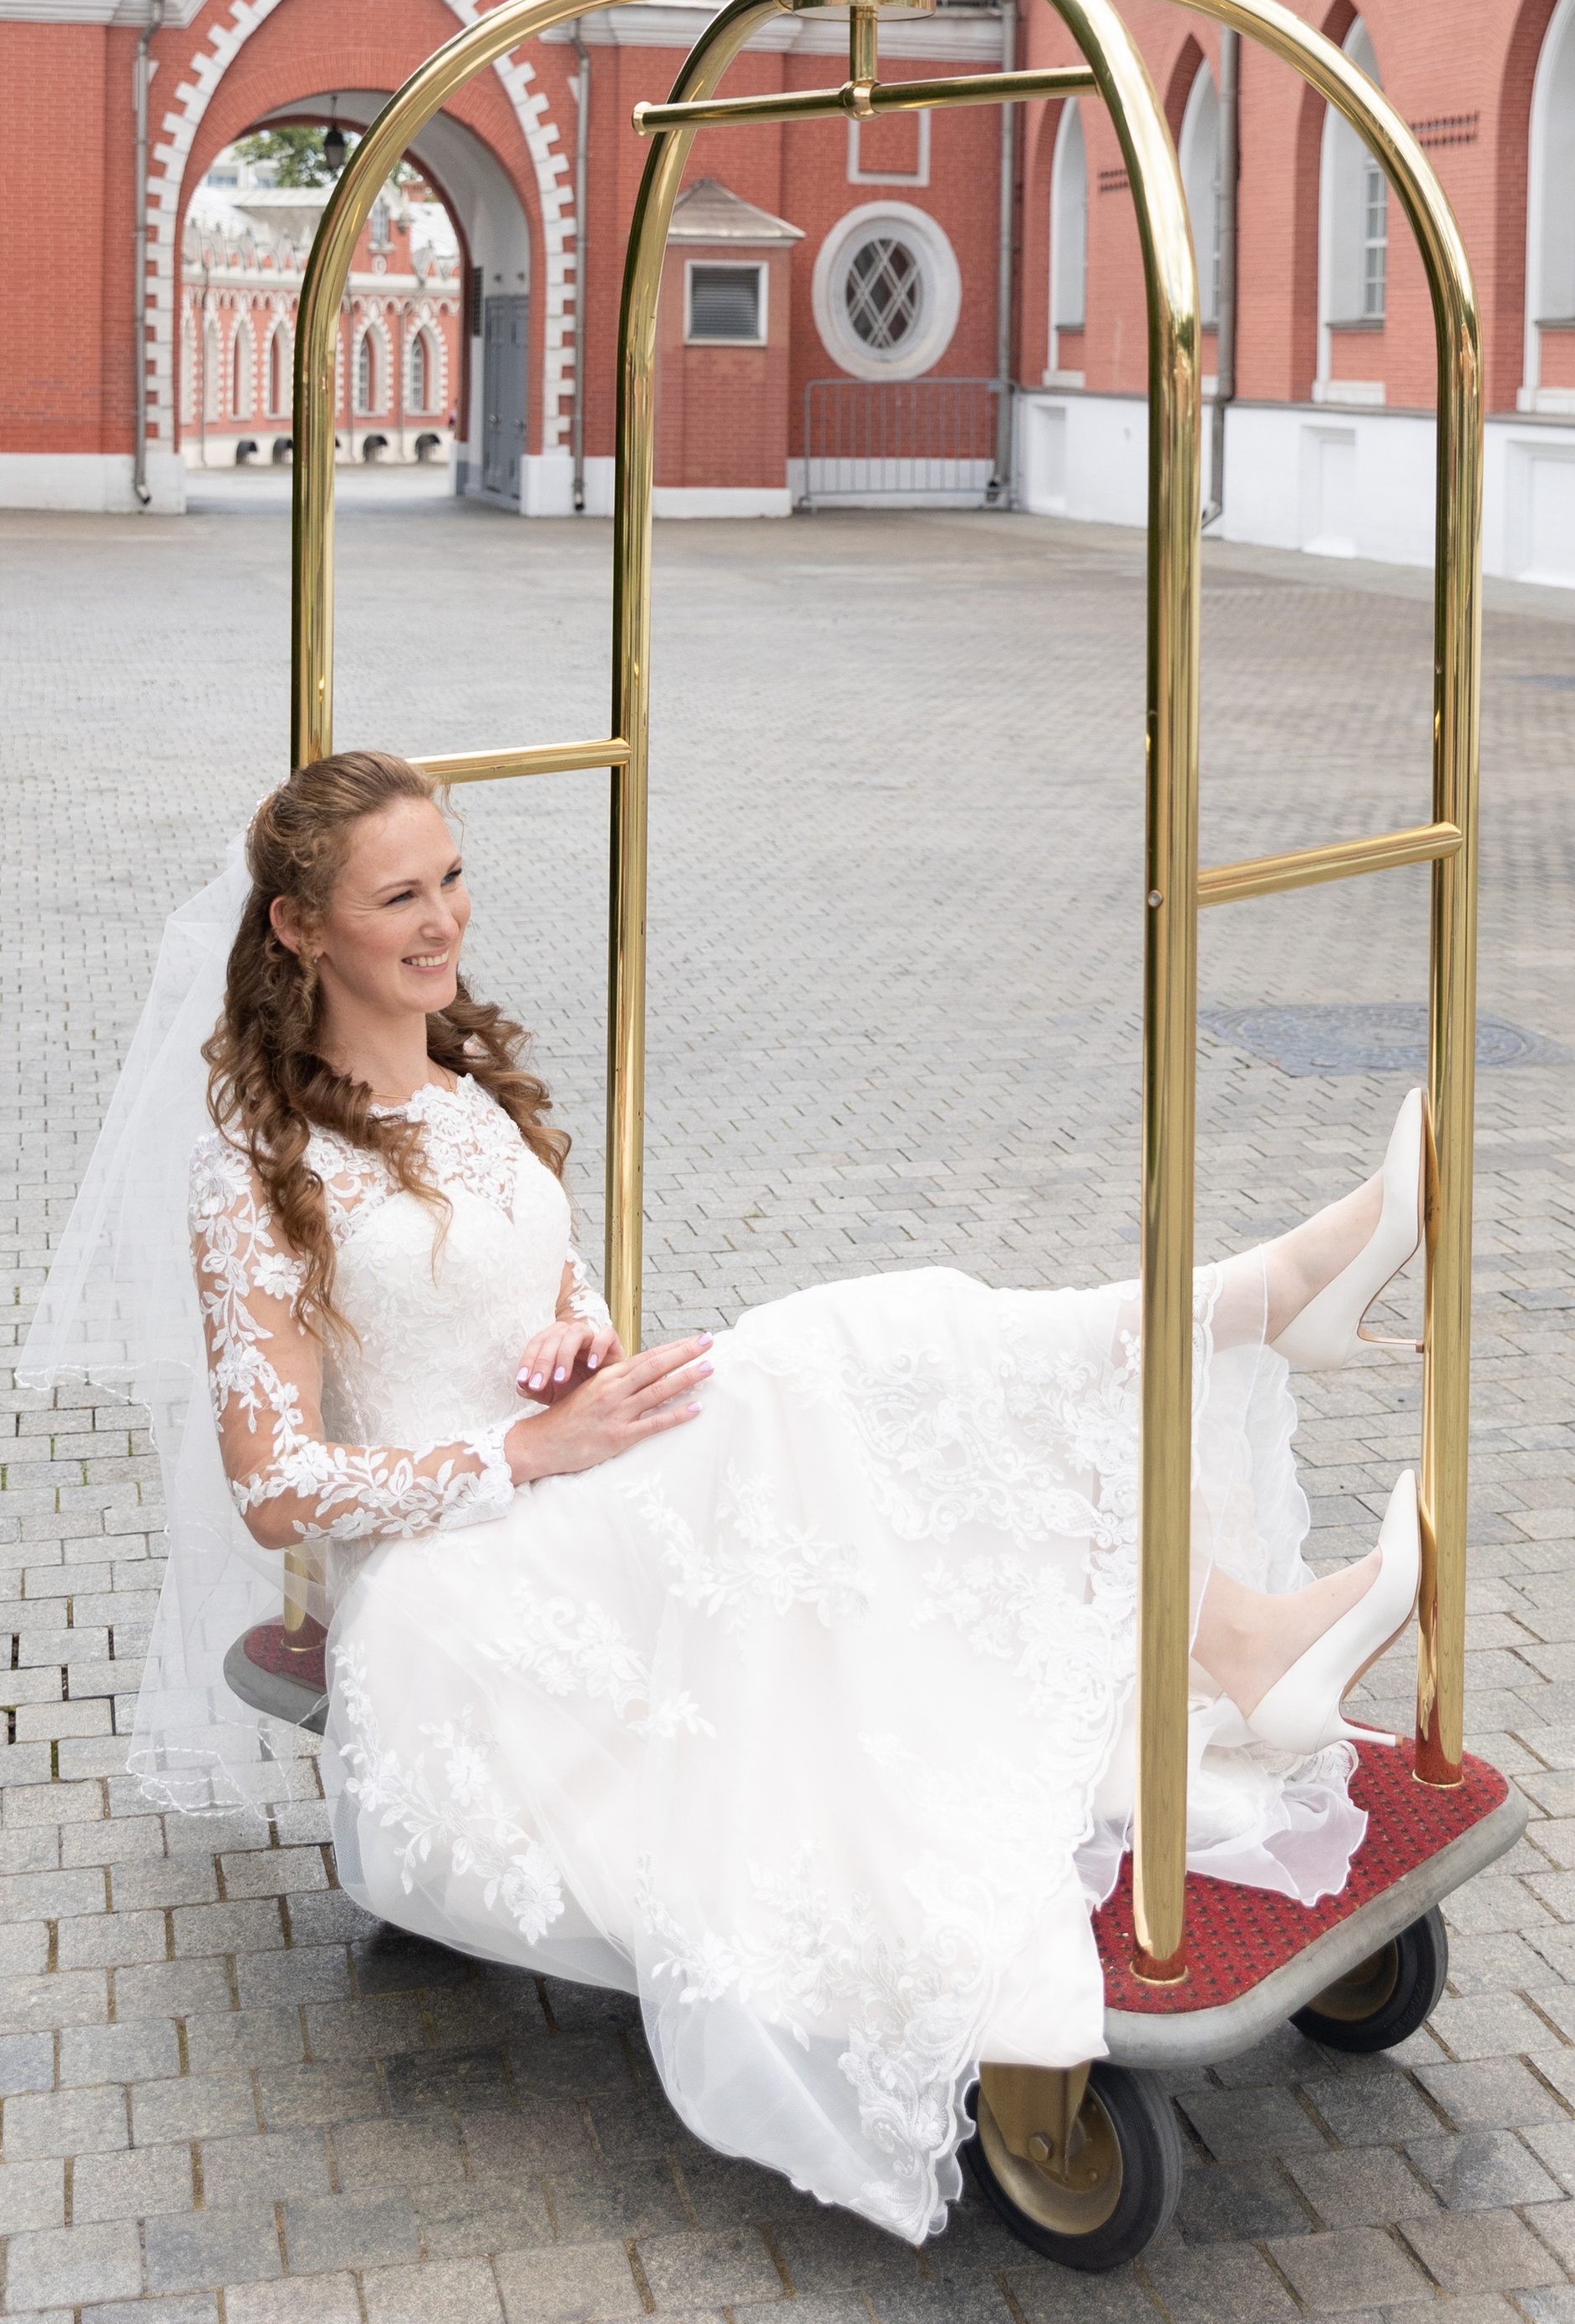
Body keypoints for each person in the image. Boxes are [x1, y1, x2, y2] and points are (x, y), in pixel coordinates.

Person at [167, 748, 1431, 2240]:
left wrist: (572, 1349)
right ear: (302, 929)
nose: (444, 918)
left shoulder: (463, 1082)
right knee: (838, 1358)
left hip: (574, 1484)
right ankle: (1254, 1312)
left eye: (453, 876)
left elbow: (547, 1291)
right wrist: (517, 1454)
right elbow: (274, 1489)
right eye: (401, 896)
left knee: (855, 1391)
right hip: (458, 1590)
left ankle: (1243, 1602)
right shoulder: (257, 1171)